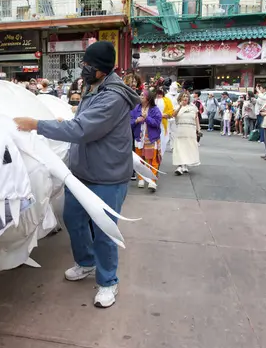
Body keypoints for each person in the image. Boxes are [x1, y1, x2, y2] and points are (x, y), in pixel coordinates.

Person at [13, 41, 140, 308]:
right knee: (73, 218)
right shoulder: (93, 87)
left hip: (107, 176)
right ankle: (86, 262)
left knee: (104, 230)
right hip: (81, 172)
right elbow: (83, 120)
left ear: (102, 69)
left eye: (88, 65)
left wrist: (36, 125)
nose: (83, 68)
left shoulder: (113, 96)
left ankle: (108, 282)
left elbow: (83, 129)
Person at [130, 88, 162, 191]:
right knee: (140, 160)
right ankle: (141, 179)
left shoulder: (155, 109)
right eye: (140, 95)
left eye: (143, 95)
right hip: (139, 139)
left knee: (152, 160)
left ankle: (152, 181)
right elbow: (129, 122)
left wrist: (146, 117)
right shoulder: (136, 108)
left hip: (151, 139)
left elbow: (157, 123)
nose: (140, 96)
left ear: (148, 98)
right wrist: (136, 121)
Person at [172, 92, 201, 175]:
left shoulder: (193, 107)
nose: (185, 98)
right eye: (183, 96)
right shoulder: (177, 107)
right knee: (179, 148)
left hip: (190, 131)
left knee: (188, 148)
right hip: (180, 130)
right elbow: (173, 115)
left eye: (187, 97)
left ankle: (185, 165)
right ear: (180, 98)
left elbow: (196, 119)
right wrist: (180, 106)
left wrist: (198, 130)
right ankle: (179, 166)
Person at [155, 87, 174, 155]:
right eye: (157, 93)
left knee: (163, 139)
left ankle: (160, 154)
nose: (159, 95)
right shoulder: (153, 100)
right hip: (154, 123)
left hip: (163, 123)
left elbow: (171, 111)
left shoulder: (167, 100)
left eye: (160, 93)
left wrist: (166, 115)